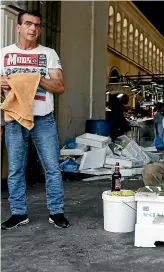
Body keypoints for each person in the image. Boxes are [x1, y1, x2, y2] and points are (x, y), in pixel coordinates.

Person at [0, 10, 69, 229]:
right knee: (15, 168)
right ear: (18, 27)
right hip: (14, 117)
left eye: (37, 25)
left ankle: (56, 212)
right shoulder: (4, 54)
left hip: (43, 118)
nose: (33, 29)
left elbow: (59, 86)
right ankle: (18, 213)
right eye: (28, 24)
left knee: (52, 167)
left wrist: (35, 78)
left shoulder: (48, 53)